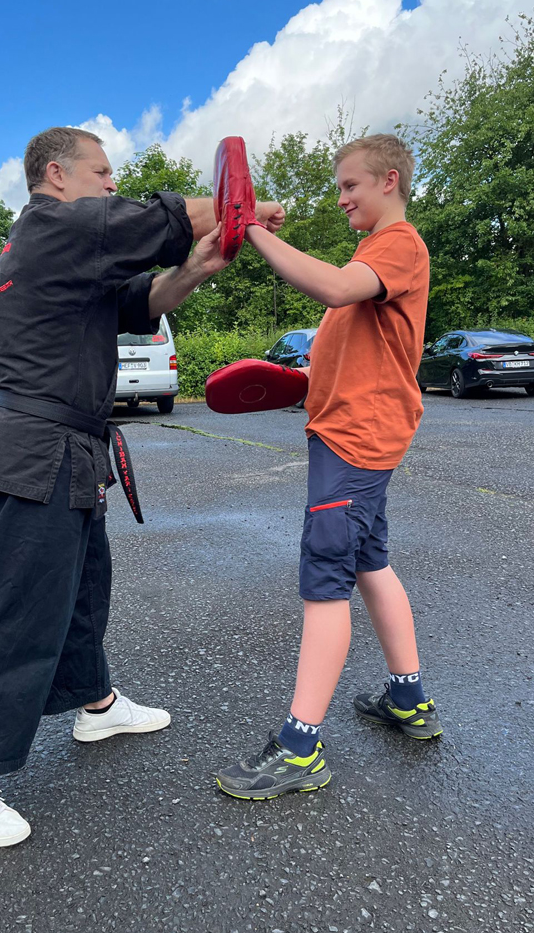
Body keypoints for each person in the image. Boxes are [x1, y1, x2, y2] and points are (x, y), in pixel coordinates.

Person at [0, 126, 283, 845]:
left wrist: (201, 267)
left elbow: (140, 300)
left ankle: (95, 702)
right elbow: (156, 220)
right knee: (15, 603)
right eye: (103, 171)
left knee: (83, 586)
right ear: (56, 175)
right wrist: (238, 208)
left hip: (72, 444)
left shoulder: (64, 256)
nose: (113, 182)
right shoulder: (51, 226)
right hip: (39, 445)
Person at [217, 133, 442, 800]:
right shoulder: (375, 254)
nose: (340, 196)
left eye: (350, 185)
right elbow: (355, 352)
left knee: (326, 578)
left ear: (390, 181)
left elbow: (337, 288)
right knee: (370, 559)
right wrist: (304, 380)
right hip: (355, 433)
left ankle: (299, 747)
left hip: (355, 442)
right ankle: (409, 700)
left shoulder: (397, 246)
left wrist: (250, 229)